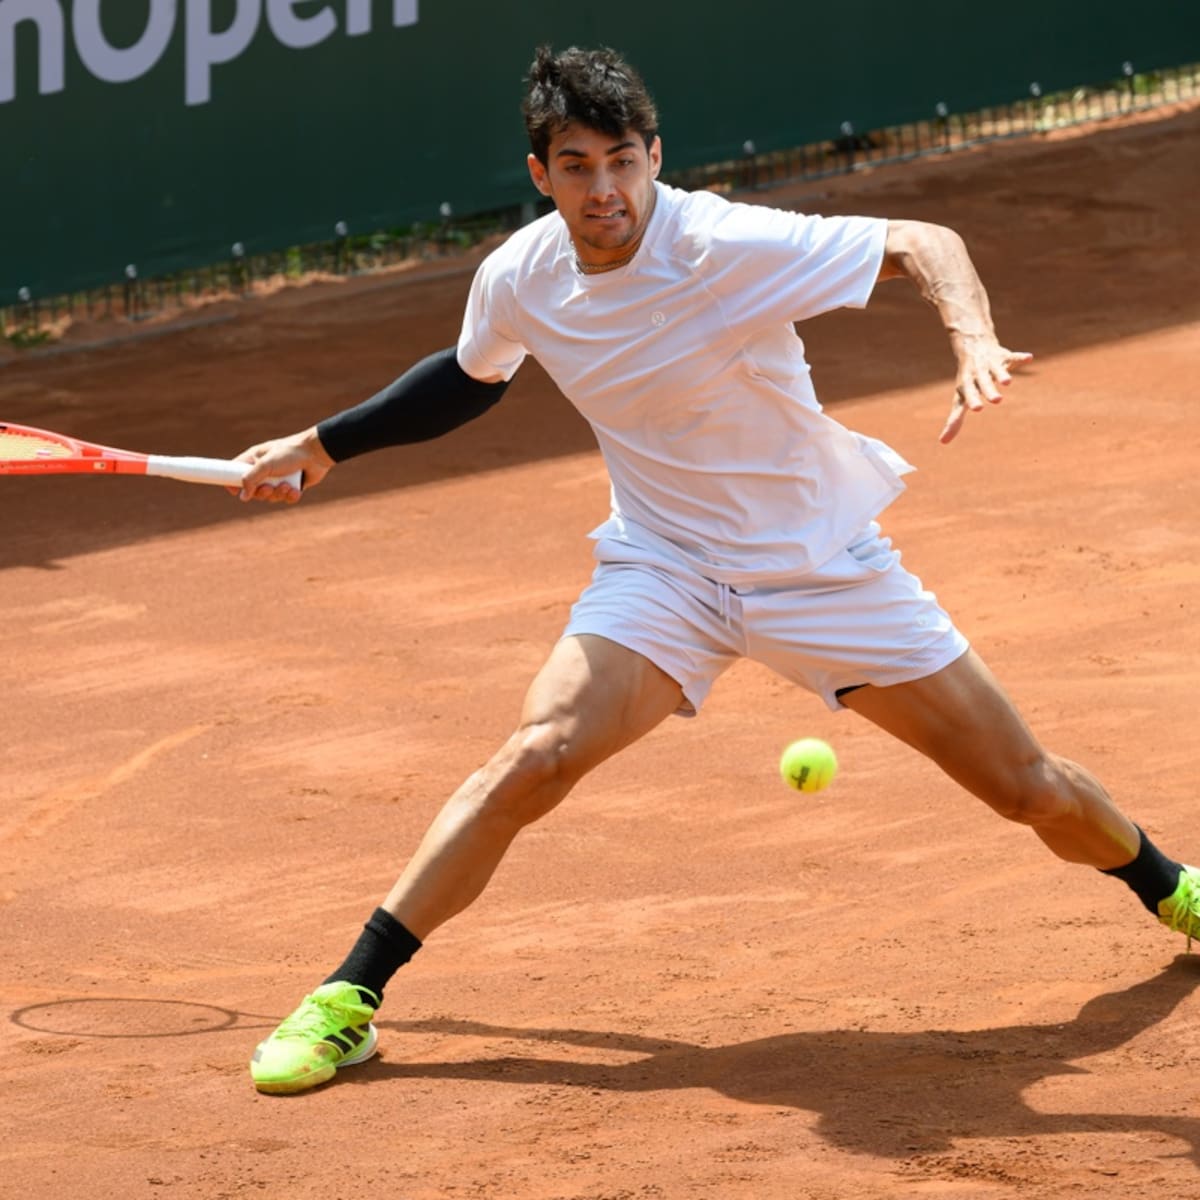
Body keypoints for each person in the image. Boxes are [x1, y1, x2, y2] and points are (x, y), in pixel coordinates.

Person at [235, 45, 1199, 1095]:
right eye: (575, 165)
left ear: (654, 157)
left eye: (620, 161)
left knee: (1027, 790)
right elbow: (470, 380)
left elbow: (924, 239)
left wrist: (972, 337)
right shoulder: (519, 274)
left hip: (821, 569)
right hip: (667, 570)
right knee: (536, 754)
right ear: (539, 174)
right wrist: (323, 444)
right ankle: (350, 996)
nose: (603, 190)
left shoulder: (724, 241)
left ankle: (1169, 883)